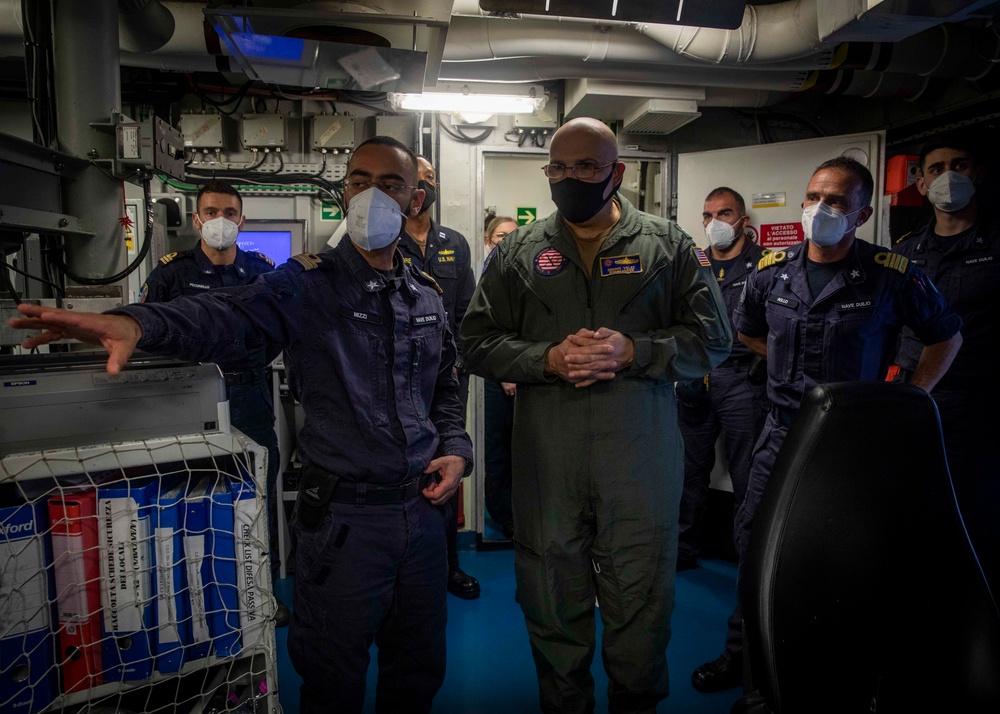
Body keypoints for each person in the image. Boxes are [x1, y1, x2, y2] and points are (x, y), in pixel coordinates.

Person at [10, 136, 474, 714]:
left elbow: (445, 386)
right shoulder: (308, 284)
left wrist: (456, 447)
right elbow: (227, 315)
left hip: (424, 521)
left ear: (415, 199)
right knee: (333, 678)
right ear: (344, 191)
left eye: (389, 184)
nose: (370, 195)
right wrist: (133, 323)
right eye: (358, 181)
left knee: (418, 672)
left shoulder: (425, 293)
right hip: (347, 524)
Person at [461, 117, 733, 714]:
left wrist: (636, 351)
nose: (571, 178)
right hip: (548, 461)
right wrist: (547, 358)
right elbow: (475, 342)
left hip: (637, 458)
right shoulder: (518, 252)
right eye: (559, 168)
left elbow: (714, 340)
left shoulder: (667, 245)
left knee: (640, 598)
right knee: (551, 597)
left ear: (618, 172)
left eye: (586, 167)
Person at [691, 156, 964, 696]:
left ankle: (826, 662)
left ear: (860, 214)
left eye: (836, 201)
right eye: (814, 197)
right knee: (754, 543)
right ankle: (742, 656)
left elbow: (946, 335)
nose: (820, 209)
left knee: (840, 553)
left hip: (851, 445)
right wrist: (789, 370)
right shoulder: (771, 272)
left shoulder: (891, 275)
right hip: (781, 434)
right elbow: (747, 333)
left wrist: (913, 397)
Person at [138, 179, 290, 626]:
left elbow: (279, 330)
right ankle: (186, 601)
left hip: (248, 395)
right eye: (211, 212)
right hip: (185, 396)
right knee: (185, 491)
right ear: (196, 219)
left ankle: (265, 592)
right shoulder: (171, 272)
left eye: (229, 212)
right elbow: (149, 332)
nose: (219, 221)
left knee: (258, 490)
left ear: (242, 220)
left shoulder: (262, 271)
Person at [892, 135, 999, 591]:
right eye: (936, 168)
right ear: (920, 182)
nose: (948, 176)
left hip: (982, 401)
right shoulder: (906, 250)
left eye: (960, 164)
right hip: (918, 397)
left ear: (978, 173)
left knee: (977, 512)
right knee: (916, 506)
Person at [397, 155, 480, 600]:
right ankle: (408, 568)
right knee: (406, 468)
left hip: (446, 379)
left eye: (430, 180)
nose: (423, 189)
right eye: (416, 181)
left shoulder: (455, 243)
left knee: (448, 464)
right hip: (399, 380)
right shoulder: (385, 239)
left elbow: (467, 311)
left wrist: (459, 361)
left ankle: (449, 566)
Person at [676, 187, 768, 572]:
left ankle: (752, 559)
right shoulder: (691, 264)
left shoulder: (766, 265)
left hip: (742, 381)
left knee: (748, 472)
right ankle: (682, 550)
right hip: (695, 377)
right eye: (708, 215)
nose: (715, 223)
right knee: (687, 470)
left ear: (742, 221)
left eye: (725, 213)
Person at [481, 215, 519, 540]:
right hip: (496, 377)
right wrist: (505, 373)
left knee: (523, 450)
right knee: (496, 451)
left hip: (527, 377)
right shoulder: (483, 277)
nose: (506, 243)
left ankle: (523, 514)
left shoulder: (530, 276)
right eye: (500, 236)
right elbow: (485, 332)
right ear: (487, 239)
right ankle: (503, 515)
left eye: (513, 237)